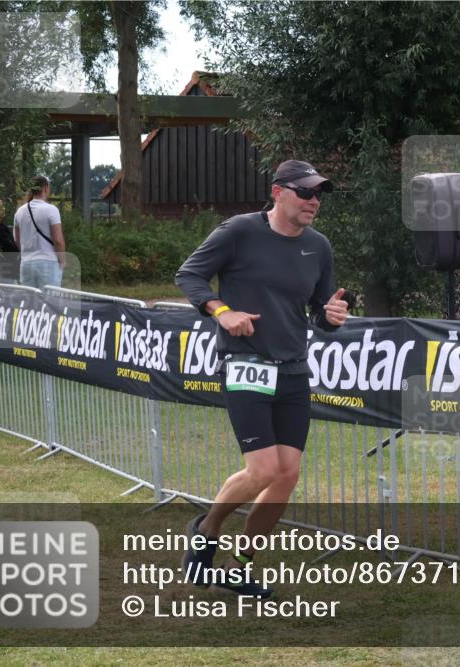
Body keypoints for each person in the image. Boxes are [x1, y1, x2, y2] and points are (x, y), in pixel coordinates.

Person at [175, 159, 349, 597]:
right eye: (305, 192)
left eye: (318, 194)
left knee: (286, 475)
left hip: (293, 370)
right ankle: (206, 530)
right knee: (264, 469)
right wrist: (222, 312)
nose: (314, 201)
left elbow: (319, 311)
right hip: (246, 363)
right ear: (278, 192)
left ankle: (239, 566)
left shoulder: (319, 246)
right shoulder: (239, 231)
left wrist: (331, 316)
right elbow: (189, 275)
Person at [13, 176, 65, 288]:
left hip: (26, 264)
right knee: (50, 298)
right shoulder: (51, 210)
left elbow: (17, 240)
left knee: (29, 299)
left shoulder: (19, 212)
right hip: (48, 262)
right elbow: (58, 240)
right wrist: (62, 260)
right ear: (45, 188)